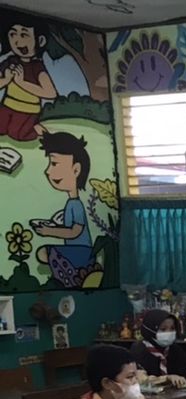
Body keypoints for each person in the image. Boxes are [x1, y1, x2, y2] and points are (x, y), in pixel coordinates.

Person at [33, 132, 92, 271]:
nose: (48, 171)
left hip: (82, 252)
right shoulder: (71, 203)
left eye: (54, 163)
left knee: (43, 253)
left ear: (76, 169)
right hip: (76, 250)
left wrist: (49, 231)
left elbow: (74, 232)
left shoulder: (76, 204)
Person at [0, 14, 56, 142]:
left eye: (24, 35)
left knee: (17, 135)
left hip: (27, 110)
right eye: (12, 35)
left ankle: (36, 128)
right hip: (7, 106)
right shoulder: (10, 62)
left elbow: (50, 93)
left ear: (40, 41)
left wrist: (21, 83)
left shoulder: (37, 67)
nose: (17, 41)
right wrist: (6, 80)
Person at [130, 309, 186, 388]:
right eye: (163, 329)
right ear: (150, 330)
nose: (169, 333)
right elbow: (140, 380)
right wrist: (166, 379)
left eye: (172, 328)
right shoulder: (139, 351)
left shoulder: (172, 349)